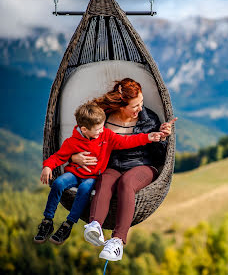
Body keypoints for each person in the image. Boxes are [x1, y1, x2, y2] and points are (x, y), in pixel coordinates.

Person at [71, 78, 177, 261]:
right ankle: (95, 225)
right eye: (135, 106)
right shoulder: (103, 118)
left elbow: (160, 157)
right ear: (121, 105)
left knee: (126, 183)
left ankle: (118, 241)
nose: (140, 109)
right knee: (104, 180)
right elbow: (81, 139)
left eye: (141, 103)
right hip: (114, 165)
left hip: (142, 165)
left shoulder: (149, 119)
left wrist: (162, 138)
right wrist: (75, 157)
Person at [33, 101, 162, 245]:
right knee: (58, 183)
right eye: (98, 129)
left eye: (102, 127)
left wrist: (147, 137)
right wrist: (48, 166)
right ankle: (47, 220)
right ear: (85, 130)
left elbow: (126, 141)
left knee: (84, 189)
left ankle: (68, 223)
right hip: (75, 173)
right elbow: (59, 156)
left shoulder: (106, 135)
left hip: (93, 177)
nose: (102, 130)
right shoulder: (72, 141)